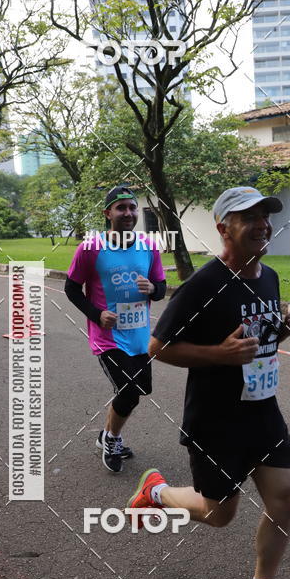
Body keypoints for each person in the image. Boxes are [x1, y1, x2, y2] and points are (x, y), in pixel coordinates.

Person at [126, 186, 290, 579]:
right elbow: (158, 347)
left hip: (262, 409)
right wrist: (219, 355)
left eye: (265, 216)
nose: (262, 225)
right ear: (224, 228)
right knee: (218, 513)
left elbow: (255, 341)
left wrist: (283, 329)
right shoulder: (203, 285)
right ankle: (156, 492)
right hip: (216, 419)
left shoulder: (268, 277)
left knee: (283, 500)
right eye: (250, 218)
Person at [65, 185, 166, 472]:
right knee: (129, 391)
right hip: (108, 338)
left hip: (140, 337)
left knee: (135, 391)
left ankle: (105, 435)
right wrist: (96, 315)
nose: (128, 213)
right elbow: (71, 288)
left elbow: (161, 288)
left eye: (132, 207)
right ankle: (112, 440)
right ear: (107, 213)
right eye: (121, 208)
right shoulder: (90, 248)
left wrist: (153, 289)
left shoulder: (148, 247)